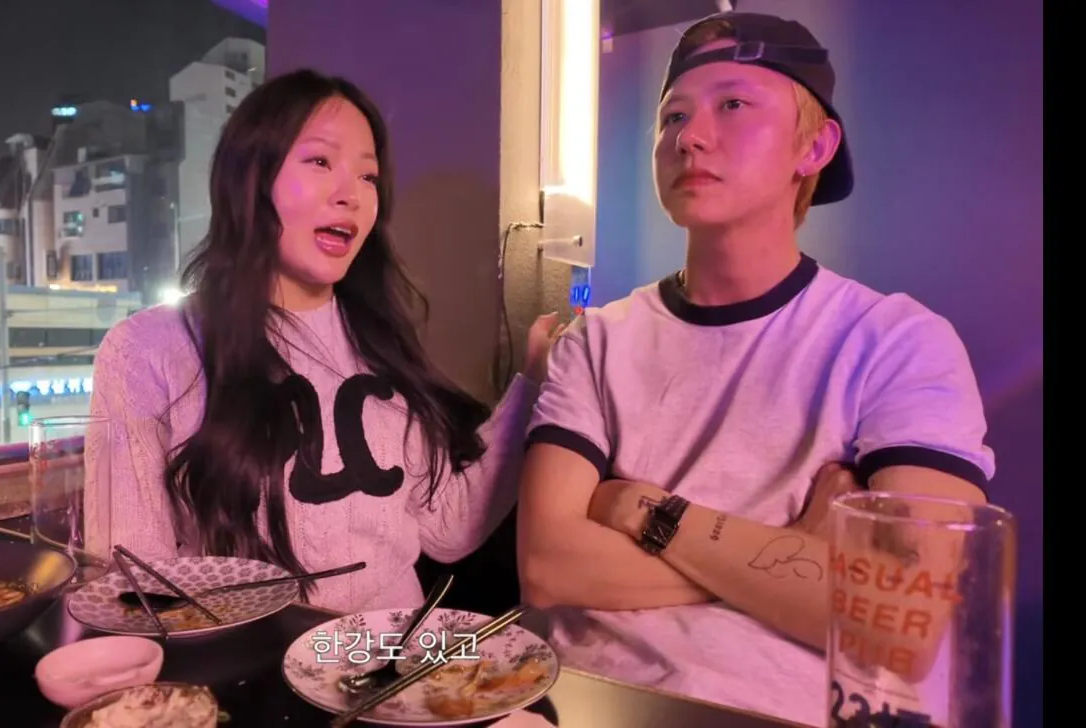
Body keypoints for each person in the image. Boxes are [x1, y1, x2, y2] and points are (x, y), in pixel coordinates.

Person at [515, 12, 994, 727]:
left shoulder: (897, 343)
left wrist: (642, 510)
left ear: (815, 146)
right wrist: (798, 551)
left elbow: (904, 620)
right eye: (673, 116)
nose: (690, 136)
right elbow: (549, 567)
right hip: (590, 702)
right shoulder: (599, 340)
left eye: (733, 104)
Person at [88, 68, 561, 613]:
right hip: (250, 656)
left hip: (394, 652)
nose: (351, 196)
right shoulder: (147, 350)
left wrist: (533, 380)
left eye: (368, 176)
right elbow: (134, 584)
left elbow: (449, 528)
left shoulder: (379, 339)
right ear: (251, 177)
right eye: (319, 162)